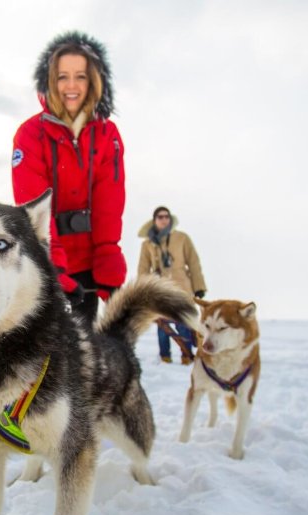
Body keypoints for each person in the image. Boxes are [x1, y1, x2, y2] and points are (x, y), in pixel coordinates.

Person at [12, 31, 127, 326]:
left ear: (94, 81)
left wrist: (107, 257)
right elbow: (35, 207)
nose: (71, 86)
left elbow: (108, 201)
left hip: (88, 266)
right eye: (63, 77)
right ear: (50, 81)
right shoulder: (30, 135)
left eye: (81, 76)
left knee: (85, 343)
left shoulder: (108, 135)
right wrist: (54, 266)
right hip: (48, 264)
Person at [137, 206, 207, 364]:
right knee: (162, 324)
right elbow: (143, 269)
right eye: (160, 217)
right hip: (160, 288)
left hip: (182, 287)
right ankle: (165, 357)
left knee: (183, 322)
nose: (164, 219)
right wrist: (143, 292)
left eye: (166, 216)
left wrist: (199, 287)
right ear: (154, 220)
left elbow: (194, 262)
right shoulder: (147, 244)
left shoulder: (182, 238)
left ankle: (187, 355)